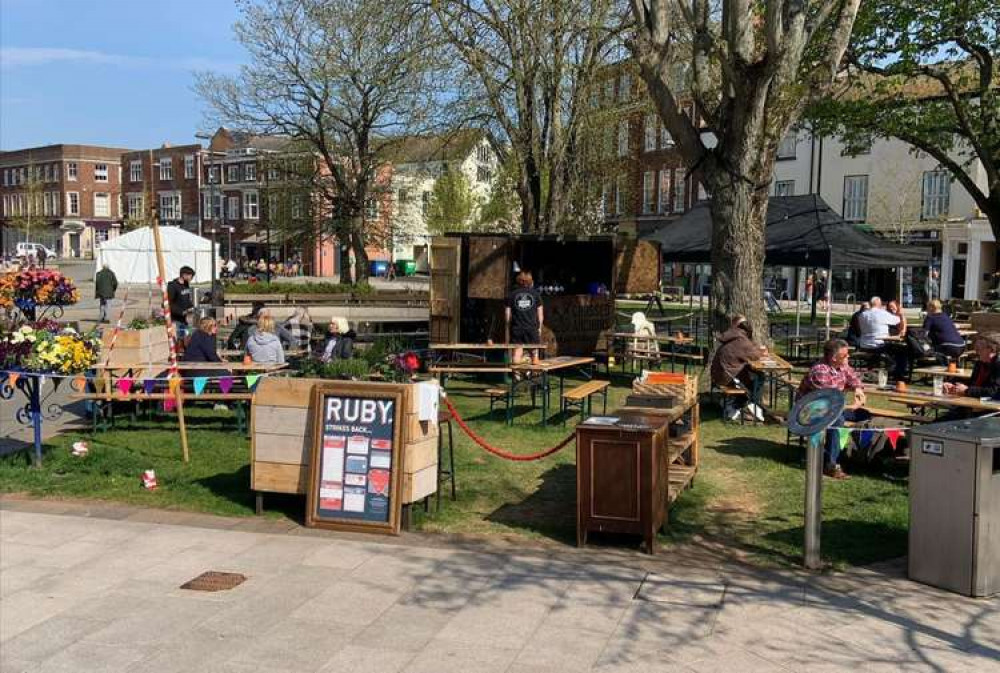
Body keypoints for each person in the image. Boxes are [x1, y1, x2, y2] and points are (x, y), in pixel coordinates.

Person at [798, 339, 869, 480]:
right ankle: (831, 464)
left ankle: (856, 454)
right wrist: (851, 406)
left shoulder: (842, 365)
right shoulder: (820, 371)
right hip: (811, 410)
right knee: (838, 421)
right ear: (833, 357)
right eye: (845, 355)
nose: (848, 357)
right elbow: (829, 399)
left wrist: (858, 389)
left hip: (832, 408)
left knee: (864, 415)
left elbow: (853, 377)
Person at [710, 315, 766, 416]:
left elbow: (747, 349)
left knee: (751, 376)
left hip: (720, 372)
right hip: (726, 376)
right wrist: (762, 351)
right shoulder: (741, 340)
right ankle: (749, 404)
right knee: (759, 377)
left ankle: (739, 403)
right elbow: (755, 355)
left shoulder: (731, 336)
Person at [943, 334, 1000, 400]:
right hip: (975, 403)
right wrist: (952, 384)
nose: (976, 351)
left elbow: (994, 391)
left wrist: (967, 390)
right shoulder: (979, 364)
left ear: (991, 349)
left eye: (979, 349)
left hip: (991, 406)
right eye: (975, 348)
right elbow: (972, 382)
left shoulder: (998, 365)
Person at [506, 270, 544, 366]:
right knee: (535, 358)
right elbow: (540, 315)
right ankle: (533, 378)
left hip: (517, 328)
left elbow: (507, 316)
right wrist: (539, 328)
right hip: (532, 328)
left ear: (518, 281)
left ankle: (517, 378)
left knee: (516, 357)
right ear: (531, 281)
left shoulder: (511, 295)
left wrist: (509, 327)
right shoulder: (536, 294)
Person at [166, 266, 195, 337]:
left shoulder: (186, 284)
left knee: (187, 337)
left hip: (184, 320)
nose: (191, 278)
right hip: (175, 320)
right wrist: (181, 312)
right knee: (179, 340)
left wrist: (191, 307)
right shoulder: (172, 286)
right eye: (190, 276)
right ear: (184, 275)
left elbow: (187, 299)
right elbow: (169, 304)